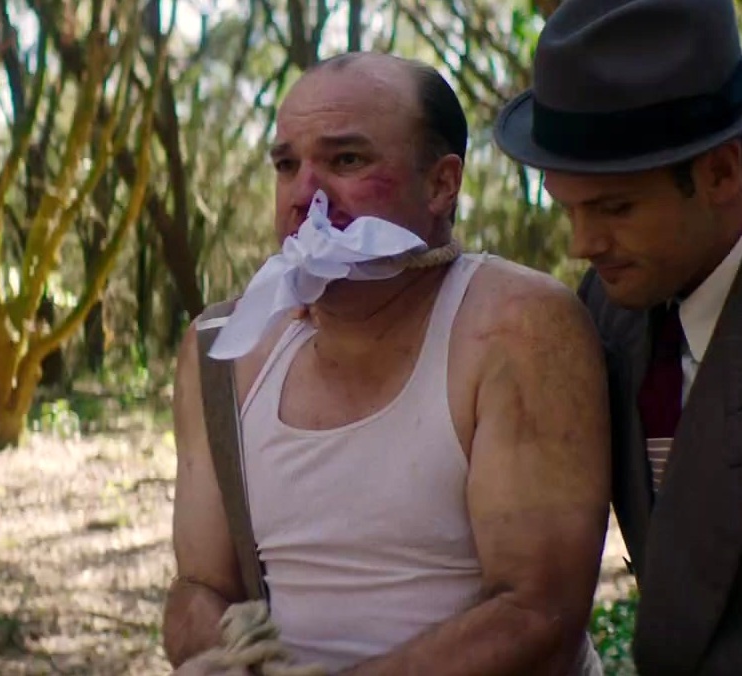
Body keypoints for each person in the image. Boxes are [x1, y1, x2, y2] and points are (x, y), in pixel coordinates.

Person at [165, 52, 611, 675]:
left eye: (347, 160)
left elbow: (538, 615)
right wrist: (229, 658)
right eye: (287, 165)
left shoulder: (519, 328)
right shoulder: (224, 350)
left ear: (442, 185)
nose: (304, 197)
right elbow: (197, 587)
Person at [494, 0, 742, 672]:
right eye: (567, 208)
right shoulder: (606, 311)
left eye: (615, 208)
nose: (582, 244)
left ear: (723, 173)